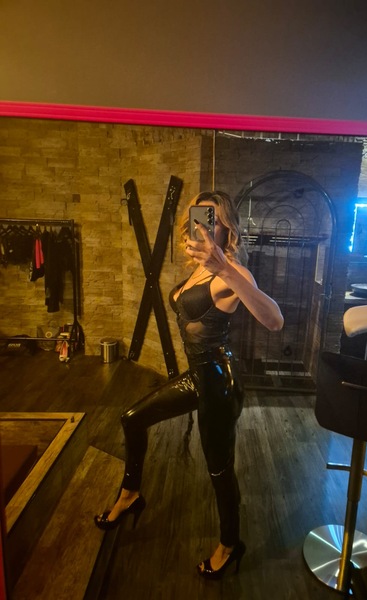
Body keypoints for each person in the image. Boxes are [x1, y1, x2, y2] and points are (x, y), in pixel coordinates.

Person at [94, 191, 284, 579]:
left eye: (213, 220)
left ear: (227, 227)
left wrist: (225, 268)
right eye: (199, 219)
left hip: (219, 384)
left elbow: (274, 320)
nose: (204, 227)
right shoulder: (198, 269)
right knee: (132, 418)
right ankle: (130, 494)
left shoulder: (232, 270)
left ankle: (230, 544)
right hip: (197, 376)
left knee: (218, 468)